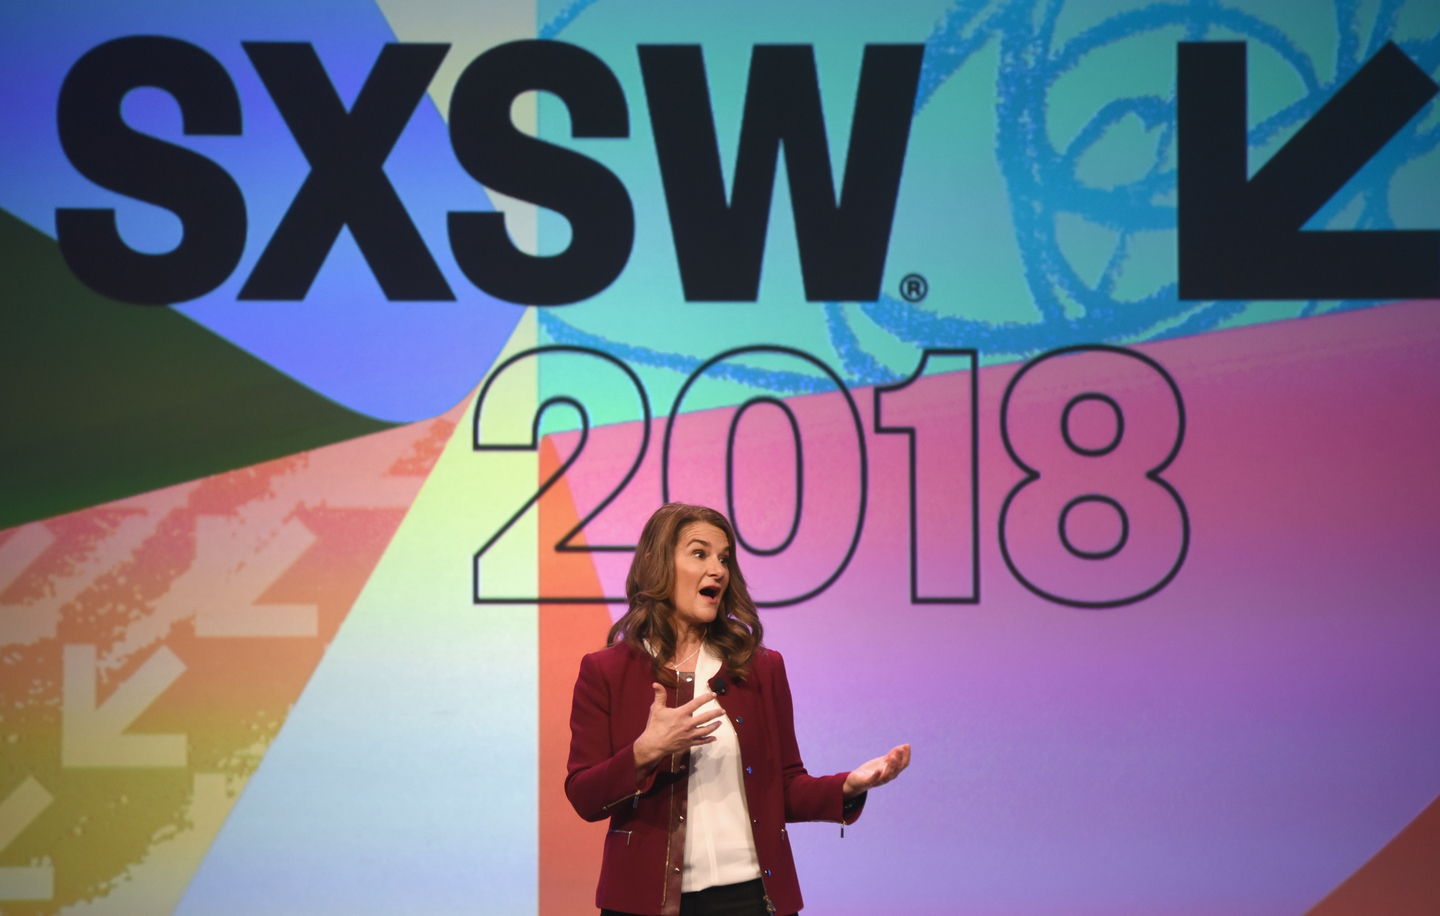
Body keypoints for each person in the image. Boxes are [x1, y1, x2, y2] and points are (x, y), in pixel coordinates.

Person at [566, 503, 910, 916]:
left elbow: (784, 788)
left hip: (749, 900)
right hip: (643, 904)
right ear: (659, 565)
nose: (718, 570)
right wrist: (645, 751)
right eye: (700, 554)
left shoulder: (760, 668)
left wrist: (847, 787)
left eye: (724, 558)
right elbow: (584, 796)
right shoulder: (606, 671)